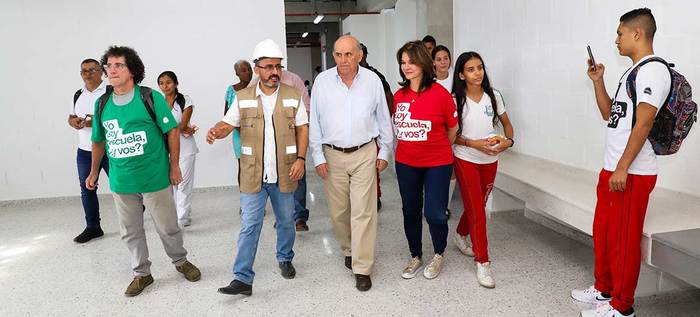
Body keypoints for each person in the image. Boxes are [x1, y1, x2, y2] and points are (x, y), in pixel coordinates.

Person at [572, 8, 671, 317]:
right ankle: (604, 289)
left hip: (632, 171)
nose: (616, 40)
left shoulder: (653, 70)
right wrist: (598, 81)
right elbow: (610, 115)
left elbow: (643, 123)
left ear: (636, 34)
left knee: (625, 241)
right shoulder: (632, 71)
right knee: (603, 232)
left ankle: (622, 307)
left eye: (620, 33)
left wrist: (623, 167)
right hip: (614, 168)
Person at [86, 46, 201, 297]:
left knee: (168, 226)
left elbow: (171, 130)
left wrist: (173, 166)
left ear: (132, 70)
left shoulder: (150, 97)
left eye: (119, 65)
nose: (112, 70)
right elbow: (98, 140)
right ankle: (142, 274)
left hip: (154, 177)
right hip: (122, 181)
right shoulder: (102, 104)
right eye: (109, 66)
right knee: (130, 231)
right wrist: (94, 171)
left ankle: (180, 261)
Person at [208, 39, 308, 296]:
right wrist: (216, 132)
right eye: (268, 67)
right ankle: (242, 278)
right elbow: (227, 124)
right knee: (250, 224)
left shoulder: (292, 95)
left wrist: (301, 159)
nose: (274, 72)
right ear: (257, 69)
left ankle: (285, 258)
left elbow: (302, 128)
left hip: (285, 170)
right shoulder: (243, 98)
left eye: (277, 66)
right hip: (253, 173)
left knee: (286, 221)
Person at [309, 35, 393, 291]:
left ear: (359, 55)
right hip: (332, 155)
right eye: (338, 54)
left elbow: (383, 117)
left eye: (349, 54)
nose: (343, 60)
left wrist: (384, 151)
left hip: (364, 152)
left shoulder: (372, 81)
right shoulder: (322, 82)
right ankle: (348, 248)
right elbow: (315, 121)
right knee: (339, 212)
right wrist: (318, 156)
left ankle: (362, 266)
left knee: (363, 211)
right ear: (333, 56)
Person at [392, 41, 458, 281]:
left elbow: (453, 128)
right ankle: (415, 255)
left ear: (423, 62)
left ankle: (439, 253)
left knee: (435, 212)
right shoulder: (399, 96)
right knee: (410, 210)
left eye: (411, 61)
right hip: (406, 162)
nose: (406, 67)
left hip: (437, 163)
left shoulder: (440, 94)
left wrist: (437, 149)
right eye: (403, 62)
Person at [451, 51, 515, 289]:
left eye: (480, 67)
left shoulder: (494, 96)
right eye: (471, 69)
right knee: (478, 210)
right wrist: (474, 144)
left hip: (490, 159)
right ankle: (483, 262)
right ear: (461, 74)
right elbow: (453, 137)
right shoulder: (455, 99)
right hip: (465, 157)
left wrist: (507, 143)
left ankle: (459, 234)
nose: (477, 73)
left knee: (476, 202)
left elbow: (508, 126)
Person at [251, 69, 311, 231]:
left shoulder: (293, 79)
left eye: (277, 64)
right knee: (275, 179)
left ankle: (299, 217)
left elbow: (306, 107)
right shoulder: (255, 83)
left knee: (297, 177)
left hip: (292, 139)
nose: (274, 70)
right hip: (268, 143)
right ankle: (283, 216)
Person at [70, 58, 110, 244]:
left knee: (124, 187)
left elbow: (116, 119)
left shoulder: (110, 92)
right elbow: (71, 116)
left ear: (101, 71)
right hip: (85, 151)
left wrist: (92, 123)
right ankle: (93, 227)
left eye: (92, 70)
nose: (87, 74)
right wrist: (75, 122)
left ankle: (137, 208)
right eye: (84, 71)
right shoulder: (79, 94)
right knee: (87, 189)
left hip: (109, 149)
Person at [157, 71, 199, 227]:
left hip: (186, 149)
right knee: (170, 185)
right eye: (161, 83)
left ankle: (183, 218)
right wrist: (182, 128)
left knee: (183, 184)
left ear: (175, 83)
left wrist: (183, 128)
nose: (165, 86)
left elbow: (181, 125)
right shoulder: (157, 103)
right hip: (164, 150)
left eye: (168, 82)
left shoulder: (185, 100)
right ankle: (173, 216)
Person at [359, 43, 393, 210]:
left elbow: (389, 97)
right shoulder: (344, 76)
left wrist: (384, 119)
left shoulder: (375, 76)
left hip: (372, 131)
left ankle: (375, 196)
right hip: (353, 132)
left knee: (372, 166)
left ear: (364, 55)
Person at [432, 45, 457, 218]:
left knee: (451, 172)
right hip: (437, 133)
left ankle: (445, 206)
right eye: (439, 59)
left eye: (446, 58)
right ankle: (434, 203)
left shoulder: (457, 79)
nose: (443, 62)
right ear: (433, 62)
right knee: (437, 172)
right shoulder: (430, 82)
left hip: (455, 130)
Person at [225, 60, 253, 163]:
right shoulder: (231, 90)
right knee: (242, 166)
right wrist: (241, 129)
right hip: (238, 134)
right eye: (244, 70)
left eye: (249, 69)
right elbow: (227, 115)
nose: (248, 72)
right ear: (237, 73)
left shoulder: (257, 88)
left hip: (257, 132)